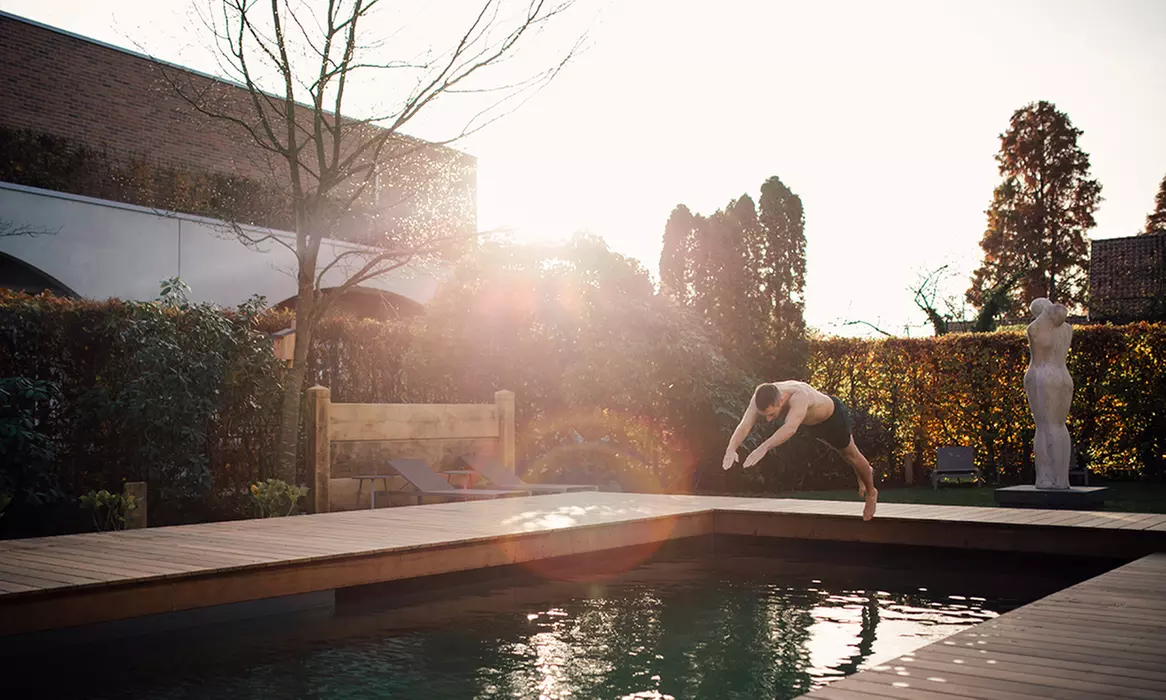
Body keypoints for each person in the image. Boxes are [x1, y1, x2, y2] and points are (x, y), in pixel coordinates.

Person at [722, 381, 879, 520]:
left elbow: (790, 428)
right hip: (813, 424)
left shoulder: (799, 396)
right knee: (843, 453)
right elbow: (744, 425)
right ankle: (862, 472)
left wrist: (764, 447)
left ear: (781, 401)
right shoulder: (761, 395)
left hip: (833, 419)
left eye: (771, 414)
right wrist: (731, 448)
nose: (768, 419)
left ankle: (871, 492)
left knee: (851, 456)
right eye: (765, 416)